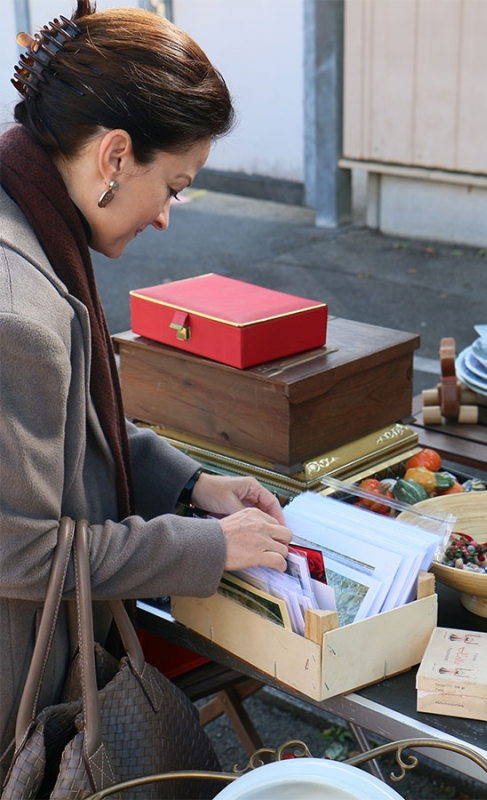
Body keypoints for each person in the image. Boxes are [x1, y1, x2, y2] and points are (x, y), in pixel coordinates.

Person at [0, 0, 292, 781]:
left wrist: (193, 484)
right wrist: (206, 546)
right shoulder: (14, 305)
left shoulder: (29, 209)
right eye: (174, 184)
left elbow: (68, 428)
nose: (166, 216)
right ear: (116, 155)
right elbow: (20, 551)